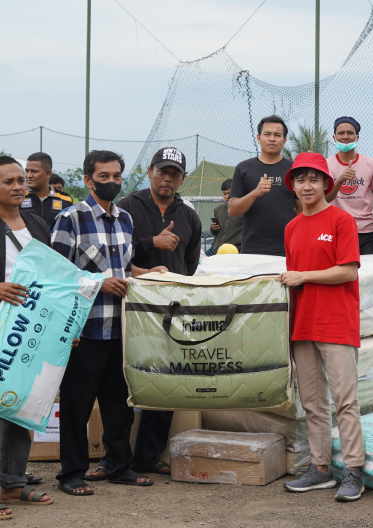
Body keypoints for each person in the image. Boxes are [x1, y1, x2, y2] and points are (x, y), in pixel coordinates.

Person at [52, 151, 160, 496]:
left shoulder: (125, 219)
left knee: (119, 403)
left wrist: (147, 274)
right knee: (76, 405)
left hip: (120, 329)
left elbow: (124, 268)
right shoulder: (71, 219)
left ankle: (118, 465)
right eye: (104, 176)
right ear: (87, 180)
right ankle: (71, 473)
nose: (111, 182)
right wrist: (99, 283)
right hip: (84, 330)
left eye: (117, 176)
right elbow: (56, 276)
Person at [0, 157, 54, 519]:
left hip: (30, 333)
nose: (19, 186)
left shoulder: (37, 225)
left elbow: (51, 279)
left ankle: (14, 484)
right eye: (9, 181)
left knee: (22, 411)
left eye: (22, 180)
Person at [281, 153, 366, 502]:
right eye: (300, 179)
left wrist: (304, 276)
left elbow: (348, 270)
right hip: (302, 324)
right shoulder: (291, 228)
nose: (307, 185)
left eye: (313, 179)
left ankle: (353, 470)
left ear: (325, 184)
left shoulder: (341, 221)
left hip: (336, 322)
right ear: (294, 186)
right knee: (313, 403)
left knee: (345, 400)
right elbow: (292, 277)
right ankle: (320, 469)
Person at [111, 147, 201, 477]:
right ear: (149, 172)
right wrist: (151, 243)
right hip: (130, 304)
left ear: (182, 179)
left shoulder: (189, 214)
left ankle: (148, 456)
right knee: (121, 380)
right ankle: (114, 458)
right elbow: (114, 255)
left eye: (175, 173)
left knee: (168, 379)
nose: (168, 178)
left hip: (170, 310)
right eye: (162, 171)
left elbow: (190, 265)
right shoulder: (127, 207)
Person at [228, 115, 297, 256]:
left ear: (284, 141)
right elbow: (232, 210)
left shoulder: (294, 168)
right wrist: (255, 193)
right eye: (267, 134)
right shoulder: (243, 168)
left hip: (288, 246)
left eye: (277, 135)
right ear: (259, 138)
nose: (272, 139)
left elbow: (302, 209)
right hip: (253, 247)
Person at [326, 116, 373, 255]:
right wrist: (340, 180)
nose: (345, 137)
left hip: (367, 231)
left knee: (370, 272)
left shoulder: (370, 164)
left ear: (357, 137)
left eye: (350, 133)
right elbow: (324, 199)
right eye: (341, 133)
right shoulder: (326, 165)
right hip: (337, 230)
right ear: (334, 137)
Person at [24, 152, 74, 227]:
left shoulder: (66, 200)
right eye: (27, 171)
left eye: (34, 171)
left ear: (48, 173)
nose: (29, 175)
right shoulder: (18, 198)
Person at [211, 179, 242, 253]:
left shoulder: (243, 209)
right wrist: (213, 228)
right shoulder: (218, 209)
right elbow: (215, 232)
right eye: (224, 194)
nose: (226, 196)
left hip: (237, 252)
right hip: (219, 251)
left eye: (229, 193)